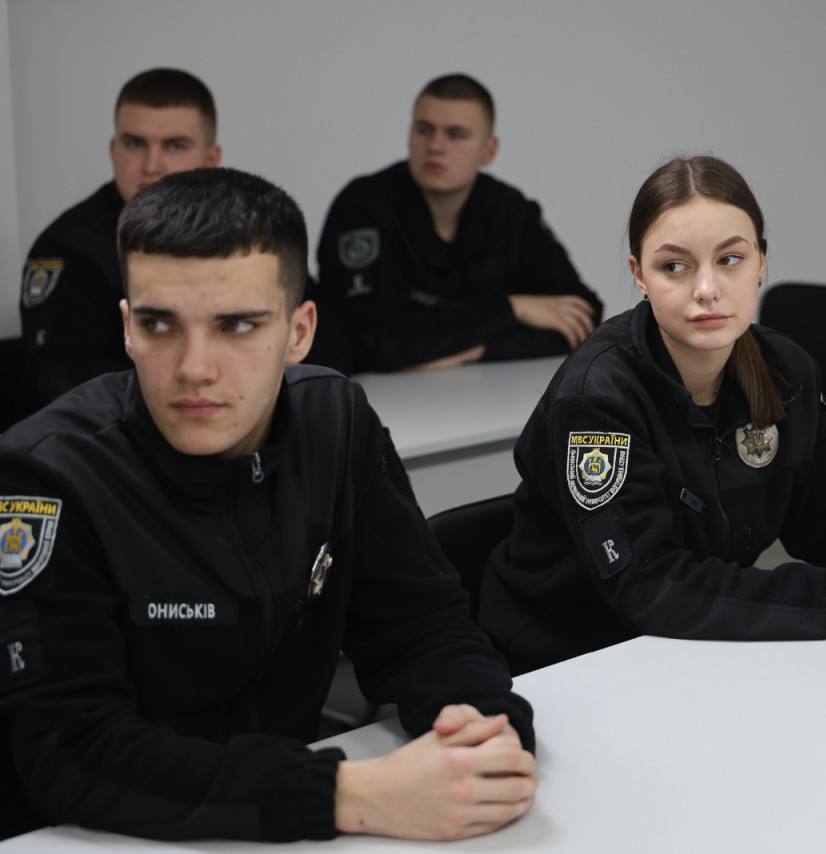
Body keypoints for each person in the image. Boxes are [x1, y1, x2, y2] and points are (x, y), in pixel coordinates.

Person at [0, 168, 537, 843]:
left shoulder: (335, 423)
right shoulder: (46, 477)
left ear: (299, 331)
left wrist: (484, 726)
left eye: (236, 325)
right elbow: (72, 753)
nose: (195, 368)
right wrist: (347, 794)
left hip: (275, 822)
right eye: (160, 324)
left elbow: (421, 626)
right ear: (128, 328)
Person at [479, 155, 826, 675]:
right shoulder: (597, 399)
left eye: (730, 259)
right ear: (639, 275)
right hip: (569, 660)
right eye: (674, 266)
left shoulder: (785, 369)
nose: (707, 289)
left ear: (761, 262)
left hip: (691, 646)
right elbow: (651, 585)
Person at [316, 73, 603, 373]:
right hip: (379, 397)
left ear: (489, 151)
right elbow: (371, 342)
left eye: (456, 134)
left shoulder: (508, 209)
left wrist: (475, 352)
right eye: (424, 130)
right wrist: (512, 309)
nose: (435, 146)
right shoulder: (362, 207)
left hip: (487, 396)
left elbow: (582, 316)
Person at [20, 68, 223, 405]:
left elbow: (307, 339)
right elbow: (64, 378)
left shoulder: (244, 234)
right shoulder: (70, 248)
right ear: (114, 150)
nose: (152, 165)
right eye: (135, 143)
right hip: (120, 432)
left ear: (211, 160)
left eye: (175, 145)